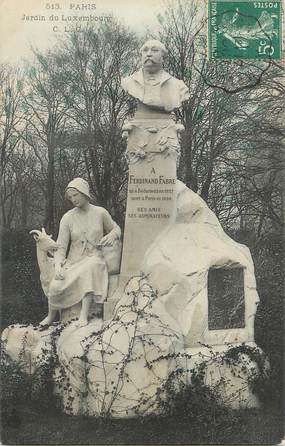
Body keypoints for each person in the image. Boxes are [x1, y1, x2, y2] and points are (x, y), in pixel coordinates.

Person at [40, 178, 121, 327]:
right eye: (70, 197)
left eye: (75, 195)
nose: (73, 199)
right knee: (55, 285)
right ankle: (51, 315)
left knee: (90, 268)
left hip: (95, 257)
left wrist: (111, 235)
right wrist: (58, 265)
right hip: (73, 261)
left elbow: (116, 229)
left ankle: (83, 315)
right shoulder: (68, 218)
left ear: (84, 193)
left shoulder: (100, 213)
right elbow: (60, 247)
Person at [121, 39, 189, 112]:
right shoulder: (128, 82)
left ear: (163, 57)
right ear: (141, 56)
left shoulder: (179, 86)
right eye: (145, 50)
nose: (149, 54)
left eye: (155, 50)